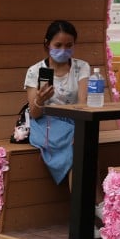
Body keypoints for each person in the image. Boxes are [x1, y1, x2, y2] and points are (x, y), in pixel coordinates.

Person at [24, 20, 90, 185]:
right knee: (79, 151)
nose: (63, 50)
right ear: (47, 44)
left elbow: (83, 103)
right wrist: (40, 99)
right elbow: (34, 113)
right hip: (46, 123)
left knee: (82, 147)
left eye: (69, 45)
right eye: (58, 45)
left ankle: (88, 205)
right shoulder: (34, 71)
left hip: (76, 120)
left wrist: (79, 131)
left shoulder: (81, 67)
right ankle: (93, 204)